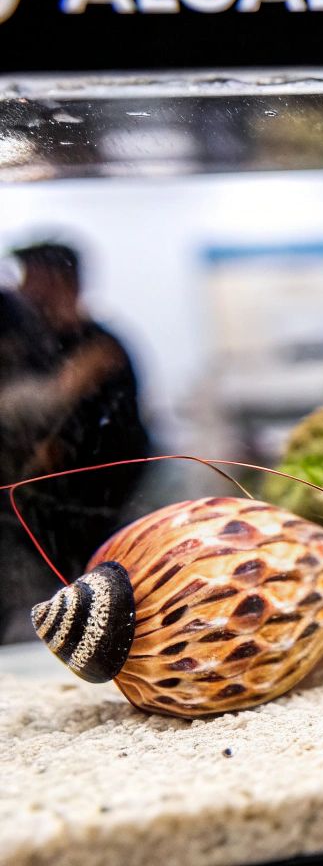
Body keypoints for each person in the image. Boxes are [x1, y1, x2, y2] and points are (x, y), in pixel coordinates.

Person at [0, 242, 150, 642]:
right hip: (28, 517)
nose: (25, 289)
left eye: (35, 278)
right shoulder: (29, 345)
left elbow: (125, 437)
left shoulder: (103, 344)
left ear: (65, 281)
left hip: (96, 511)